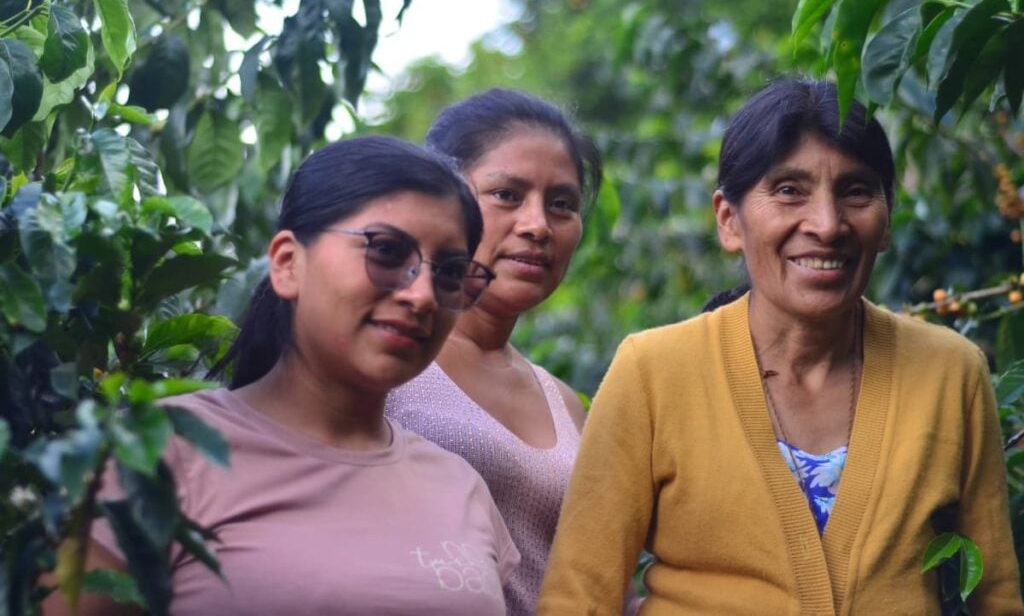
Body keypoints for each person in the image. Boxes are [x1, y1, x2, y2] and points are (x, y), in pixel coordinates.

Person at [536, 79, 1023, 614]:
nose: (827, 224)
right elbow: (579, 597)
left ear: (886, 220)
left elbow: (995, 593)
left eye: (856, 191)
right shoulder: (652, 372)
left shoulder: (951, 371)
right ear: (729, 220)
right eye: (789, 190)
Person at [45, 137, 519, 616]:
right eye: (387, 251)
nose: (421, 296)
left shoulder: (461, 487)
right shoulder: (157, 451)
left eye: (451, 273)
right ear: (288, 264)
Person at [386, 88, 622, 616]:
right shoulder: (385, 364)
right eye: (507, 195)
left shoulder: (566, 405)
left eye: (562, 204)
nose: (537, 225)